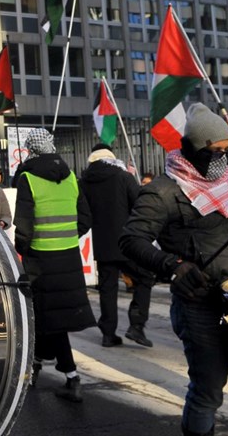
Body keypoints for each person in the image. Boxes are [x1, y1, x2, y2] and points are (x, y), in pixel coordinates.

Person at [120, 103, 228, 436]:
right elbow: (131, 240)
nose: (223, 160)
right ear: (194, 149)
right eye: (215, 152)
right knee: (208, 391)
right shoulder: (162, 191)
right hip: (203, 308)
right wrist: (173, 266)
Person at [12, 128, 95, 403]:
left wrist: (22, 249)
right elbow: (85, 217)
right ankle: (46, 368)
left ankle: (67, 376)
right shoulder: (71, 176)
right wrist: (68, 237)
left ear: (31, 150)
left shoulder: (28, 178)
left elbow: (24, 222)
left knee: (45, 317)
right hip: (69, 257)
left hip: (41, 260)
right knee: (51, 318)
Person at [79, 146, 153, 348]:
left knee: (107, 288)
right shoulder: (124, 177)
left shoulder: (84, 182)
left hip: (102, 244)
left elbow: (83, 212)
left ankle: (108, 333)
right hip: (127, 241)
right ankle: (136, 325)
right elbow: (139, 205)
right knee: (144, 277)